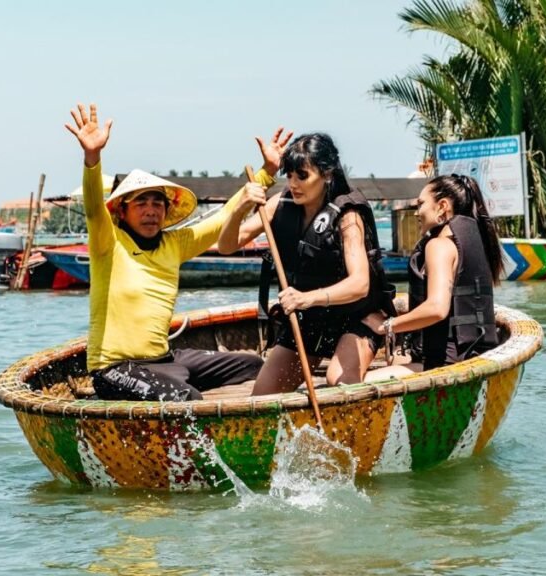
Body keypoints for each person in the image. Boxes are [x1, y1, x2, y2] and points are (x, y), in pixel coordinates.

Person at [64, 101, 263, 401]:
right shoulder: (110, 241)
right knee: (186, 399)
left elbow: (222, 219)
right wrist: (92, 157)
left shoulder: (174, 244)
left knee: (253, 365)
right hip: (115, 369)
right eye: (141, 203)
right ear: (123, 211)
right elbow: (93, 209)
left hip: (164, 360)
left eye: (157, 203)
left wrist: (266, 174)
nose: (150, 211)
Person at [218, 132, 396, 395]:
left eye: (302, 176)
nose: (294, 184)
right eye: (289, 175)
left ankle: (394, 374)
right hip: (310, 320)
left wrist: (306, 298)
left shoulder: (348, 215)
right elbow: (227, 245)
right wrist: (238, 209)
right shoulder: (281, 203)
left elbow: (359, 284)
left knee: (340, 383)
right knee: (263, 397)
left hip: (356, 317)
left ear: (326, 174)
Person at [363, 174, 503, 380]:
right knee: (394, 360)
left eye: (421, 204)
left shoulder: (439, 246)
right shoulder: (474, 240)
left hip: (448, 363)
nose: (417, 212)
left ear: (442, 206)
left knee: (357, 381)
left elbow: (437, 309)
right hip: (474, 355)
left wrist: (386, 326)